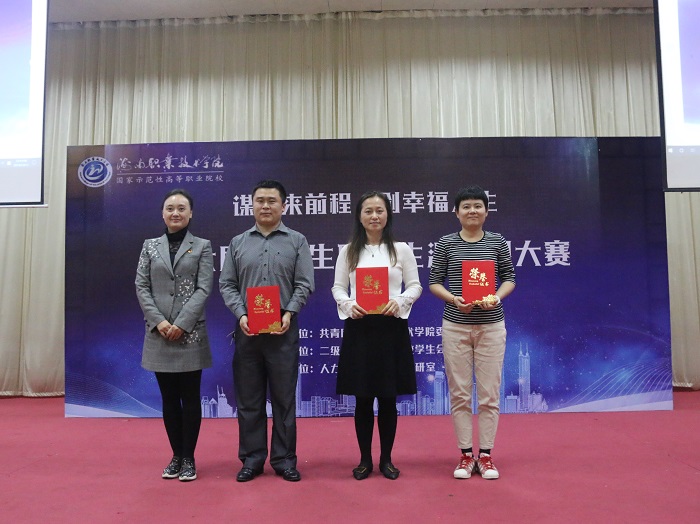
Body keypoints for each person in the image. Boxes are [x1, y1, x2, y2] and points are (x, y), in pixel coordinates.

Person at [219, 180, 315, 483]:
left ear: (283, 206)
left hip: (283, 331)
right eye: (260, 200)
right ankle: (252, 459)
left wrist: (289, 313)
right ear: (252, 204)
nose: (265, 206)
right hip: (247, 332)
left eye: (272, 201)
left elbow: (305, 283)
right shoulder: (238, 243)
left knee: (284, 400)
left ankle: (284, 460)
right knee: (249, 400)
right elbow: (227, 284)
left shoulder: (297, 241)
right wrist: (241, 314)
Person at [332, 191, 422, 480]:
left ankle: (386, 460)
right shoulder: (348, 251)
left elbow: (415, 286)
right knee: (362, 398)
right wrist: (348, 304)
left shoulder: (401, 250)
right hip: (359, 328)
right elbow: (337, 288)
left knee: (387, 398)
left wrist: (401, 300)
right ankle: (364, 460)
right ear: (359, 217)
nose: (374, 216)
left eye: (379, 210)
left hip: (391, 328)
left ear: (387, 215)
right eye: (368, 211)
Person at [429, 185, 515, 480]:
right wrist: (454, 299)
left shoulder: (497, 241)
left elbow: (510, 277)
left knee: (489, 394)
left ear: (486, 211)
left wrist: (496, 297)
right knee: (460, 394)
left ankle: (486, 455)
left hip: (491, 326)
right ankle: (466, 455)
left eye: (478, 205)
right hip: (456, 326)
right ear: (456, 212)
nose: (472, 211)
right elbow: (434, 281)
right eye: (466, 206)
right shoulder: (446, 243)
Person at [135, 188, 213, 482]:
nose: (175, 213)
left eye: (181, 208)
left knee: (190, 398)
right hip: (159, 334)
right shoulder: (149, 246)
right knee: (168, 399)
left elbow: (204, 288)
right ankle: (176, 456)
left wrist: (181, 323)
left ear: (190, 213)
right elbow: (142, 286)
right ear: (163, 213)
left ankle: (189, 458)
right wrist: (159, 322)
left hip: (190, 333)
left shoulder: (202, 246)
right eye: (170, 208)